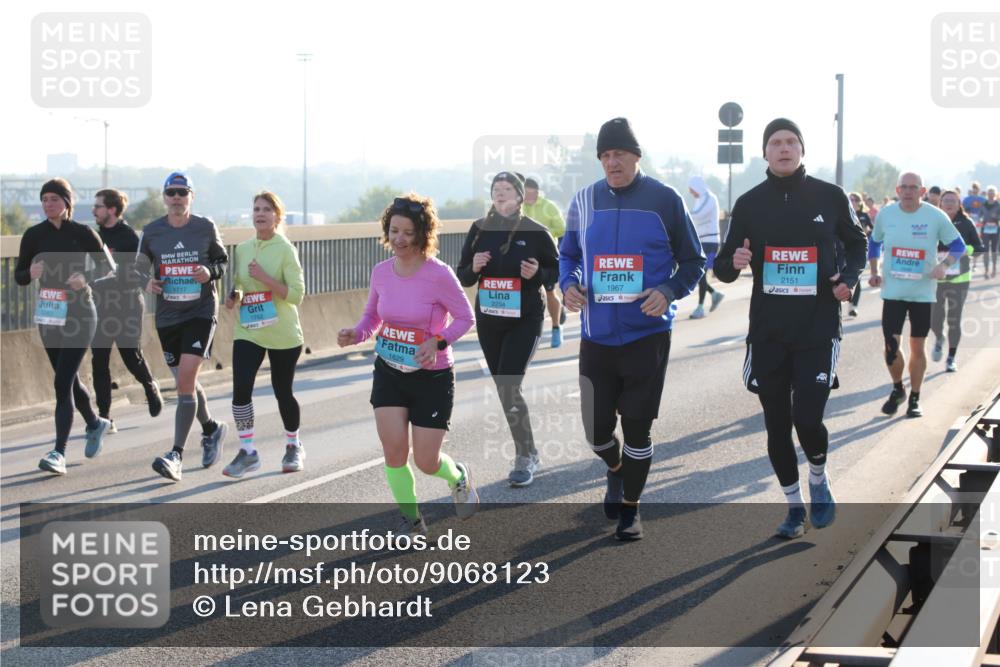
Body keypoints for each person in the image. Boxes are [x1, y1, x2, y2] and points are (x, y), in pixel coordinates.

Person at [714, 118, 868, 539]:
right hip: (768, 332)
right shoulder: (749, 204)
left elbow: (858, 243)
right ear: (765, 153)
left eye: (791, 142)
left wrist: (848, 279)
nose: (784, 148)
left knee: (807, 418)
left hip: (817, 329)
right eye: (776, 143)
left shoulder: (830, 196)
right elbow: (722, 267)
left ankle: (818, 476)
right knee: (777, 423)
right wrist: (734, 264)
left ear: (801, 149)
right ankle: (793, 507)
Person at [560, 117, 704, 541]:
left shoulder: (665, 199)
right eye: (604, 155)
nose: (611, 162)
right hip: (596, 336)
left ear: (636, 156)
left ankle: (631, 510)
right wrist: (568, 285)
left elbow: (694, 261)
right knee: (596, 430)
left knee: (637, 427)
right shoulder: (583, 201)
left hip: (647, 335)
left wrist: (669, 290)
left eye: (619, 153)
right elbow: (567, 255)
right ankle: (617, 470)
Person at [338, 193, 478, 536]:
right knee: (395, 451)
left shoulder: (439, 275)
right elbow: (372, 316)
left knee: (426, 461)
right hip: (389, 371)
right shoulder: (381, 272)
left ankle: (457, 476)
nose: (399, 239)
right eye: (393, 230)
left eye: (407, 232)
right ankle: (411, 520)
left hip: (432, 376)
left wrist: (437, 341)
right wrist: (356, 333)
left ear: (422, 234)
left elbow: (465, 317)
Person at [457, 172, 559, 487]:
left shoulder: (537, 231)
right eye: (495, 189)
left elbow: (556, 273)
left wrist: (538, 273)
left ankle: (524, 456)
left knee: (509, 385)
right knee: (504, 388)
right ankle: (528, 449)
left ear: (519, 196)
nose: (500, 194)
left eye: (506, 189)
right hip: (490, 320)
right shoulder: (479, 230)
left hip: (525, 320)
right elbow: (463, 277)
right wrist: (473, 267)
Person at [15, 178, 113, 474]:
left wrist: (87, 279)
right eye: (44, 199)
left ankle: (58, 452)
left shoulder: (82, 233)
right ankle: (95, 423)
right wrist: (29, 272)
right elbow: (19, 275)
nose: (48, 204)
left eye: (54, 199)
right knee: (67, 379)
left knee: (61, 383)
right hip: (50, 313)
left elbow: (108, 267)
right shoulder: (34, 235)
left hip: (81, 312)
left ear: (67, 203)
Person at [137, 172, 230, 481]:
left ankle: (175, 454)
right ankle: (211, 429)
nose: (177, 197)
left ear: (191, 196)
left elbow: (222, 261)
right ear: (165, 197)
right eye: (171, 192)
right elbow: (137, 269)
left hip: (200, 312)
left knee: (185, 381)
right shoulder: (152, 232)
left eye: (182, 192)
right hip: (167, 317)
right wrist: (146, 281)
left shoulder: (205, 227)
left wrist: (209, 271)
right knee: (185, 383)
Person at [221, 191, 307, 478]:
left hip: (282, 332)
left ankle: (293, 445)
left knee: (283, 392)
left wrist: (267, 280)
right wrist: (234, 296)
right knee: (241, 391)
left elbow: (297, 295)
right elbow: (240, 284)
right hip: (249, 329)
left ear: (277, 217)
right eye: (256, 209)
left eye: (266, 210)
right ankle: (247, 451)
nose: (260, 214)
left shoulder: (285, 249)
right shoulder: (243, 248)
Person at [868, 172, 965, 419]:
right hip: (893, 292)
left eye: (914, 188)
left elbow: (958, 245)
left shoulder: (935, 216)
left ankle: (915, 398)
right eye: (904, 187)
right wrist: (874, 271)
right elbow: (874, 242)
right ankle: (898, 388)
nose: (909, 191)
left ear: (922, 192)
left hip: (923, 294)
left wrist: (944, 265)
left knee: (917, 346)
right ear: (898, 190)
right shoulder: (887, 214)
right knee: (891, 346)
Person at [90, 188, 163, 432]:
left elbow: (139, 274)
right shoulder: (94, 237)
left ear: (111, 209)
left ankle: (150, 385)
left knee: (131, 356)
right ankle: (105, 417)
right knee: (99, 361)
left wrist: (115, 276)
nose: (94, 210)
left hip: (127, 305)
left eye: (98, 206)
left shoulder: (129, 237)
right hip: (101, 306)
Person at [931, 190, 985, 372]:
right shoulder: (933, 220)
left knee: (954, 319)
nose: (949, 203)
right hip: (937, 278)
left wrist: (966, 249)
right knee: (935, 318)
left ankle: (951, 357)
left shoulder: (967, 223)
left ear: (958, 203)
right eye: (946, 200)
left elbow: (979, 248)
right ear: (940, 203)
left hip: (960, 279)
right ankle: (939, 337)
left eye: (953, 201)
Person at [522, 177, 567, 347]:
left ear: (535, 191)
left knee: (549, 293)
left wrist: (544, 233)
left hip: (546, 256)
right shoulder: (519, 206)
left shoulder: (549, 206)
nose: (524, 195)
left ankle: (556, 327)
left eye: (526, 191)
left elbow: (562, 230)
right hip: (526, 256)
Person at [687, 176, 725, 318]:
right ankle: (714, 294)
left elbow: (698, 215)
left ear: (697, 187)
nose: (692, 193)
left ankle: (700, 307)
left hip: (710, 242)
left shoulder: (709, 198)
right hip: (701, 241)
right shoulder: (700, 200)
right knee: (698, 274)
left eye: (692, 190)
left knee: (700, 274)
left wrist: (682, 213)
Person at [846, 192, 874, 317]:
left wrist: (868, 231)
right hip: (844, 250)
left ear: (859, 202)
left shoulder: (863, 216)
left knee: (856, 277)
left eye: (855, 199)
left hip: (860, 251)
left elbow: (872, 231)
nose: (852, 201)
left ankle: (853, 306)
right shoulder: (843, 213)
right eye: (850, 199)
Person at [980, 185, 999, 279]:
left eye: (992, 193)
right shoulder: (983, 204)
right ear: (987, 194)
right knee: (986, 250)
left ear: (995, 194)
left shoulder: (998, 205)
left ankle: (994, 268)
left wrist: (996, 217)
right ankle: (986, 270)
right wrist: (981, 220)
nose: (991, 194)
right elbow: (980, 215)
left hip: (995, 229)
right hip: (986, 229)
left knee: (994, 250)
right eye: (989, 193)